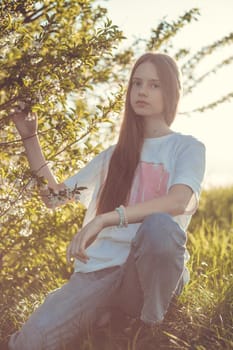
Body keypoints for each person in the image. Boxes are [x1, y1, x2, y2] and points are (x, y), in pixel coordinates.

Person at [8, 52, 205, 350]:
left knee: (159, 227)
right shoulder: (114, 154)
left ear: (171, 91)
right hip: (100, 273)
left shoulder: (187, 147)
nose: (142, 91)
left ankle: (149, 326)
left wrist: (107, 217)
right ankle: (110, 315)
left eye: (154, 85)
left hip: (151, 278)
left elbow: (179, 201)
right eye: (137, 83)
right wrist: (29, 138)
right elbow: (57, 196)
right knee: (28, 343)